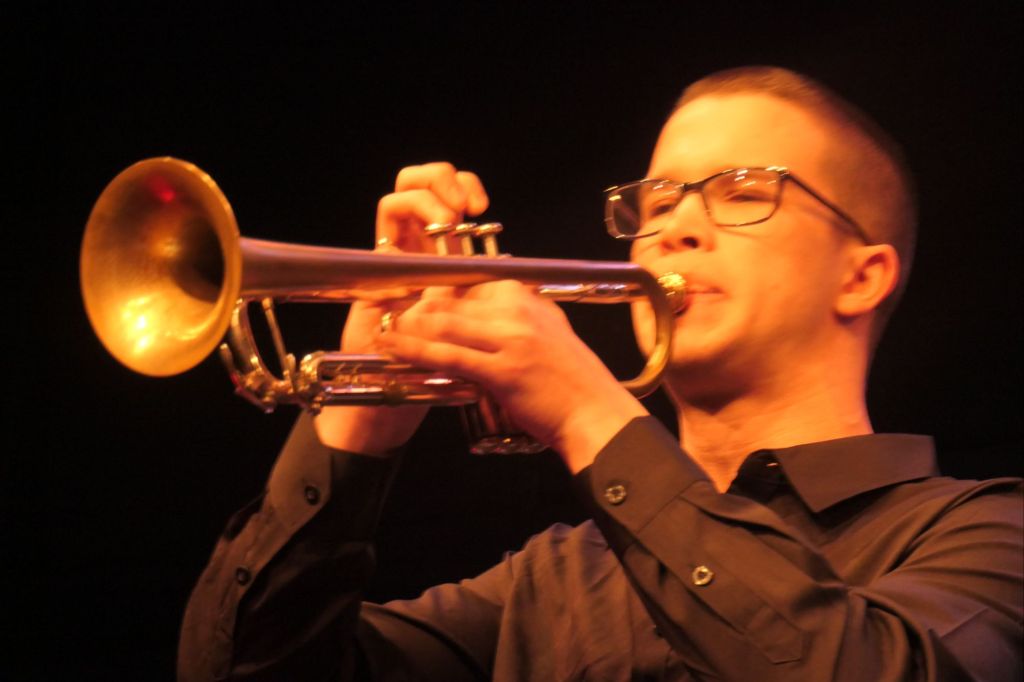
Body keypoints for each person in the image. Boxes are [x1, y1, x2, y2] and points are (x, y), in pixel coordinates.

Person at [177, 67, 1022, 681]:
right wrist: (361, 415)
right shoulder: (554, 580)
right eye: (657, 203)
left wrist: (589, 413)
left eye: (740, 192)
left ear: (861, 276)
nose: (675, 229)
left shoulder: (985, 533)